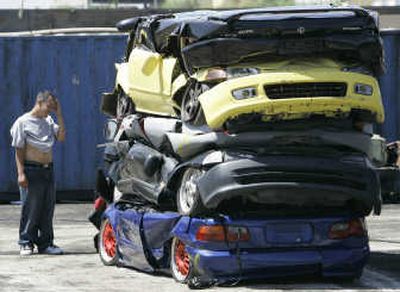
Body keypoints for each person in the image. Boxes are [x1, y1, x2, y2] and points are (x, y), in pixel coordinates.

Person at [10, 91, 66, 256]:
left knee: (47, 209)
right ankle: (26, 242)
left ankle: (46, 243)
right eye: (48, 106)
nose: (50, 110)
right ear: (39, 103)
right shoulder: (23, 122)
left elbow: (61, 137)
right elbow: (18, 149)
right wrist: (21, 174)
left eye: (52, 107)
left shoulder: (48, 121)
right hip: (31, 170)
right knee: (31, 209)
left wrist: (59, 114)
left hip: (48, 170)